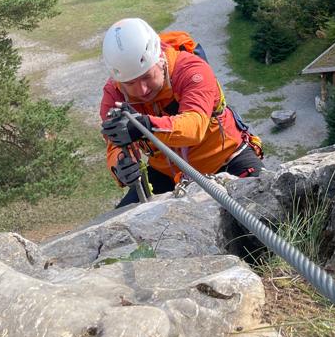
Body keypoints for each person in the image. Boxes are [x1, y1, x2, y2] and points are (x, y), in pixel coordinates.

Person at [100, 18, 263, 205]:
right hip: (166, 173)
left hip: (226, 160)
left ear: (160, 59)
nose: (142, 90)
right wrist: (120, 166)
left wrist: (146, 126)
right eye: (130, 83)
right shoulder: (114, 94)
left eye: (147, 76)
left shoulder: (191, 70)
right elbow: (114, 143)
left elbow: (194, 126)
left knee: (264, 208)